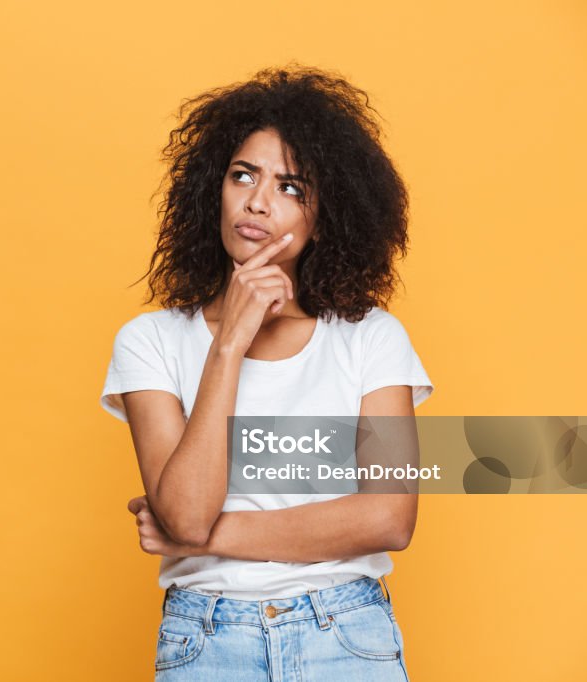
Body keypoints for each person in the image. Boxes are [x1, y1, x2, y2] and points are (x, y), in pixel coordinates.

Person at [99, 64, 435, 681]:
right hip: (206, 637)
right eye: (243, 175)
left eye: (291, 187)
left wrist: (200, 538)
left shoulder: (371, 338)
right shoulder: (150, 341)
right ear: (213, 189)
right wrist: (227, 345)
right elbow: (185, 511)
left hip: (348, 636)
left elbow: (389, 518)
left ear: (326, 215)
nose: (257, 201)